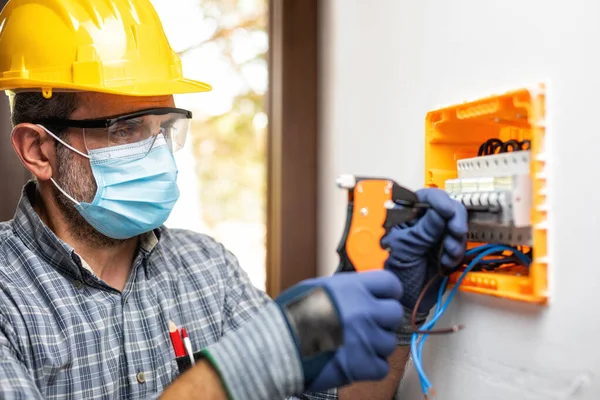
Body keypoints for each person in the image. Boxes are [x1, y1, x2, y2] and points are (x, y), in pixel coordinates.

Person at [0, 0, 468, 399]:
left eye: (161, 127)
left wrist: (397, 306)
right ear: (39, 150)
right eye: (125, 129)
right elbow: (259, 362)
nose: (156, 152)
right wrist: (236, 371)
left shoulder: (207, 268)